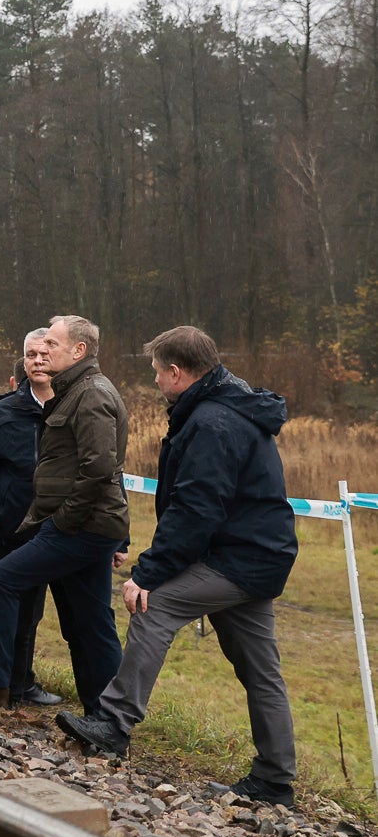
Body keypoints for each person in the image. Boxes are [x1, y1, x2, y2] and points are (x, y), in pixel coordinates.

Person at [57, 327, 298, 807]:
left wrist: (147, 572)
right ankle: (275, 780)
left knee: (154, 604)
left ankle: (113, 722)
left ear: (175, 372)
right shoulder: (227, 405)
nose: (154, 382)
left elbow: (197, 508)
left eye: (156, 373)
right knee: (261, 671)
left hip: (239, 557)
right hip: (256, 554)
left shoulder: (212, 422)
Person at [0, 314, 128, 710]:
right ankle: (103, 715)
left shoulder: (92, 394)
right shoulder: (73, 391)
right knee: (87, 622)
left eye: (51, 344)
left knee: (3, 581)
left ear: (78, 351)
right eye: (39, 346)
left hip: (79, 528)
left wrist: (63, 519)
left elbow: (101, 469)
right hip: (72, 525)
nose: (43, 353)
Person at [0, 329, 63, 706]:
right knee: (1, 605)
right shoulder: (1, 412)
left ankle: (22, 683)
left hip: (55, 528)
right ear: (23, 362)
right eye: (31, 354)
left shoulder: (73, 409)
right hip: (8, 527)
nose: (38, 360)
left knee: (33, 612)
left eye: (45, 354)